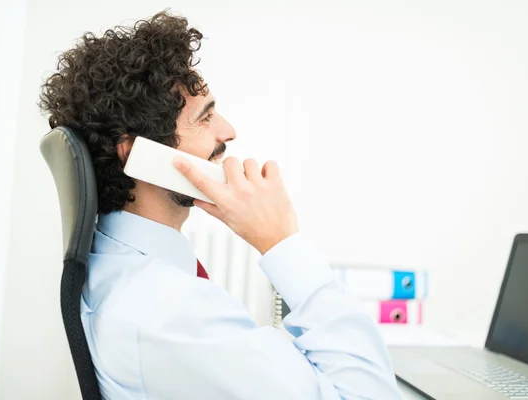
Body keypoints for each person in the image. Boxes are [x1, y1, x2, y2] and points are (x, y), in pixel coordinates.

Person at [39, 10, 401, 400]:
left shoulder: (119, 263)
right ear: (135, 154)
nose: (228, 131)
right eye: (204, 117)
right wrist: (282, 242)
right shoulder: (173, 316)